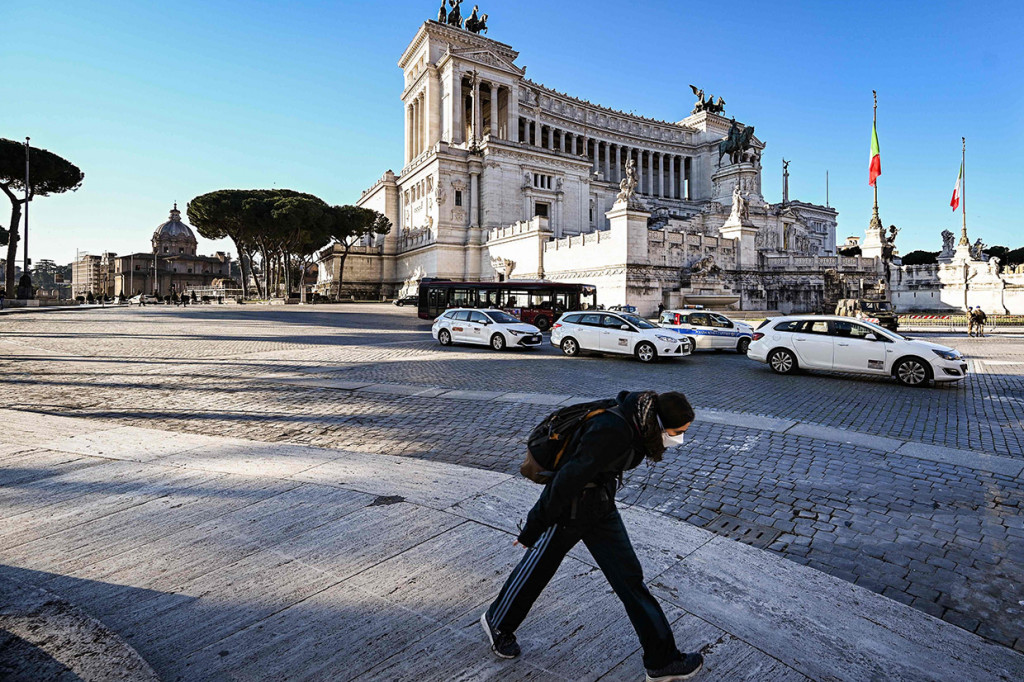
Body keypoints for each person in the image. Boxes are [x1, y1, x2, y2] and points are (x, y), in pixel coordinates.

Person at [481, 391, 704, 682]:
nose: (678, 439)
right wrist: (533, 528)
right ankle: (498, 622)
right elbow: (566, 480)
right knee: (538, 568)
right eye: (676, 433)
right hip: (571, 509)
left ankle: (662, 661)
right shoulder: (613, 430)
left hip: (600, 505)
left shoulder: (639, 421)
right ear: (660, 423)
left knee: (630, 579)